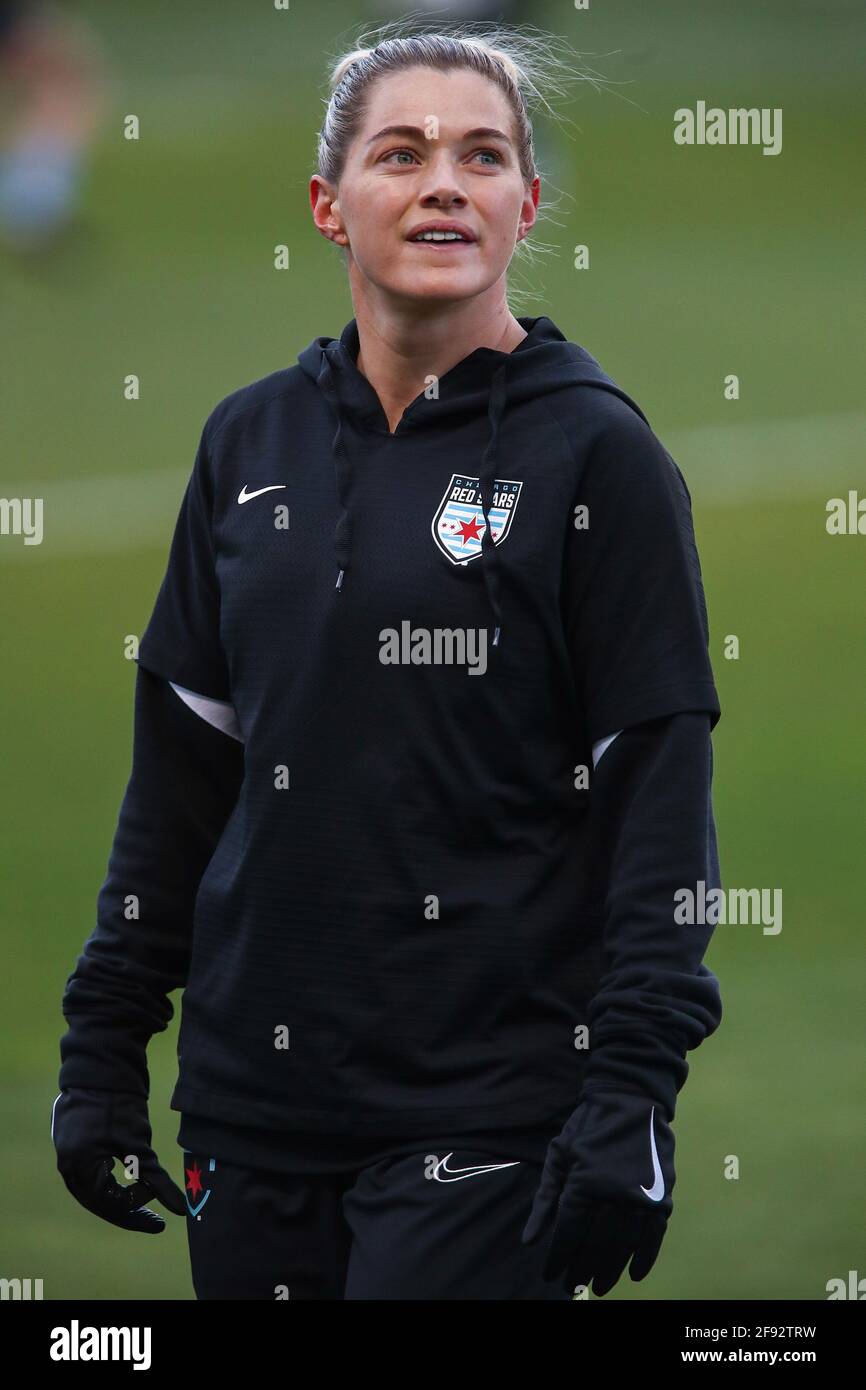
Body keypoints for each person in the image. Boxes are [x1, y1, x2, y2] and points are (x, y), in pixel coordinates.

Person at [53, 25, 724, 1301]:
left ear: (526, 204)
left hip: (492, 1116)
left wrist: (631, 1091)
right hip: (253, 1108)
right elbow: (180, 786)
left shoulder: (598, 458)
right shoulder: (247, 440)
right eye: (399, 153)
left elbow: (659, 807)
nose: (442, 184)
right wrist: (102, 1050)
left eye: (481, 156)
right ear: (327, 204)